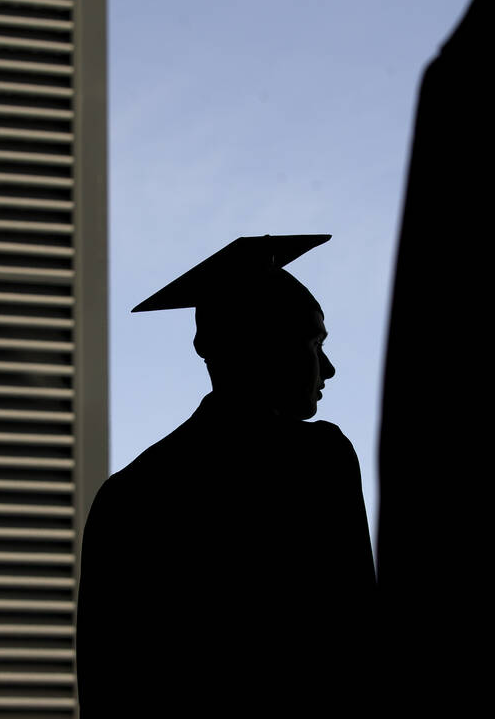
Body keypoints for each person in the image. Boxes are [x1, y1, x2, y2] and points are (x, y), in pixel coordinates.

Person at [76, 234, 374, 716]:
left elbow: (104, 682)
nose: (330, 369)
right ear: (258, 343)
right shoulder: (318, 460)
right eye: (313, 342)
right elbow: (355, 644)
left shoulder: (128, 494)